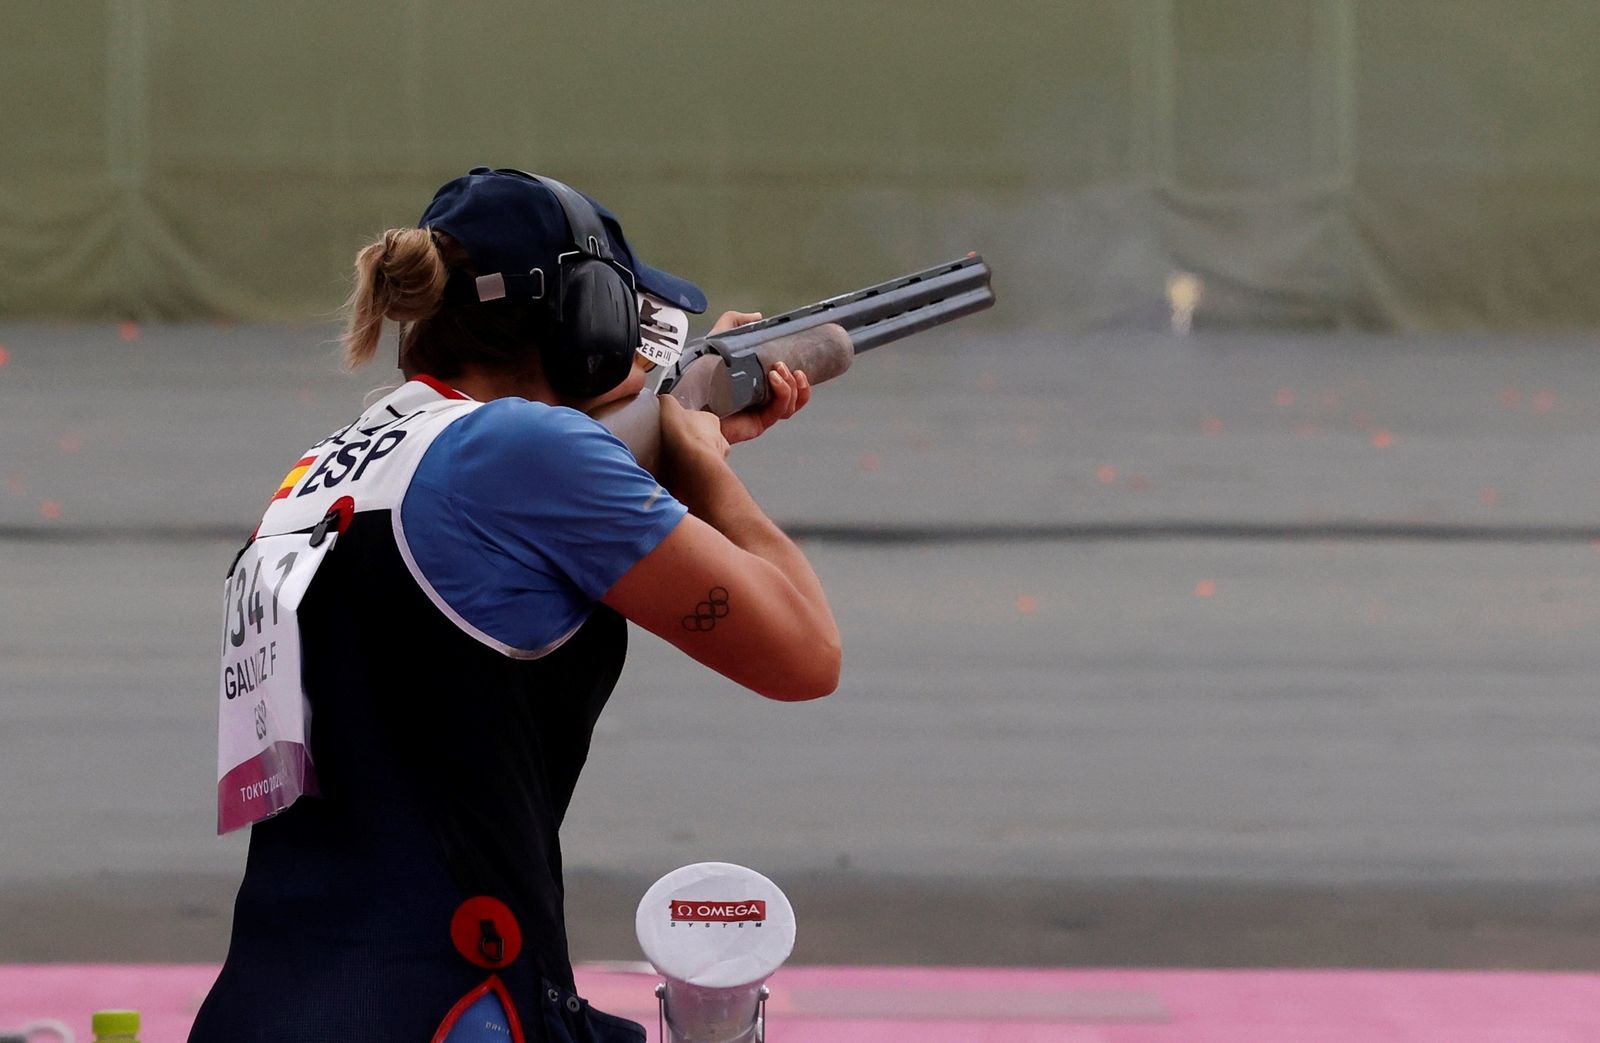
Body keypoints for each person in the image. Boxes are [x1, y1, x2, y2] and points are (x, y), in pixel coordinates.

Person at [191, 168, 839, 1043]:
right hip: (451, 1007)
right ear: (590, 321)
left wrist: (674, 441)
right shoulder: (525, 448)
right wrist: (707, 470)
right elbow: (804, 653)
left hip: (266, 1005)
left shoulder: (322, 473)